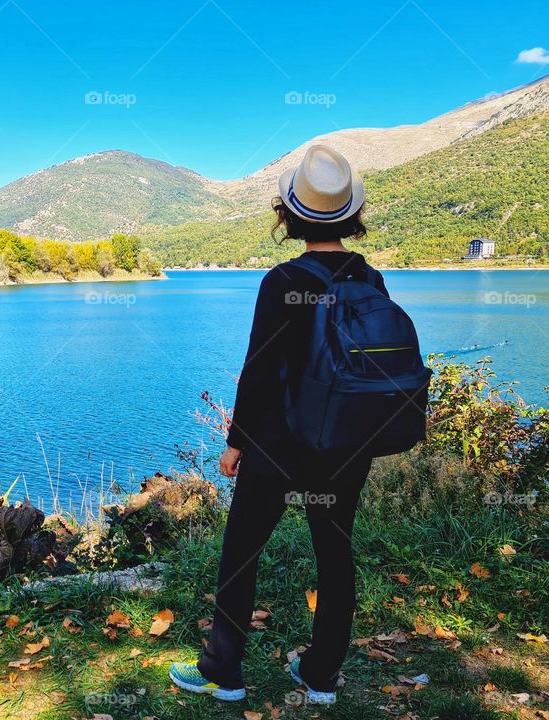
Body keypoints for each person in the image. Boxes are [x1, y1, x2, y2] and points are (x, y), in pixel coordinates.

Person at [169, 145, 387, 704]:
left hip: (279, 446)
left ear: (290, 215)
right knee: (335, 554)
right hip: (343, 445)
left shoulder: (283, 280)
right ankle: (320, 677)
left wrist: (236, 441)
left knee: (241, 552)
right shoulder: (371, 279)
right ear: (350, 215)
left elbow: (259, 371)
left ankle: (224, 672)